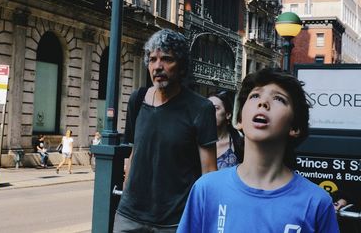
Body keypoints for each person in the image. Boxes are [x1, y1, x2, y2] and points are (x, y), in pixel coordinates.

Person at [178, 68, 339, 232]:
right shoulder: (206, 189)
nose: (263, 103)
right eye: (255, 96)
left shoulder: (317, 203)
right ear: (239, 120)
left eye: (279, 99)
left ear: (295, 127)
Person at [113, 28, 218, 232]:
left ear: (181, 66)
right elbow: (134, 154)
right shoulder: (137, 100)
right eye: (152, 59)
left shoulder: (200, 108)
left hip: (174, 220)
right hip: (130, 216)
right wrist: (125, 194)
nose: (158, 67)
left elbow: (209, 173)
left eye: (167, 59)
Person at [208, 91, 243, 169]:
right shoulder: (195, 140)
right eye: (207, 108)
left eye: (216, 108)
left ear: (228, 115)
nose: (210, 111)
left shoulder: (239, 144)